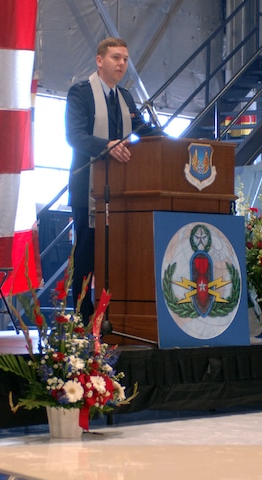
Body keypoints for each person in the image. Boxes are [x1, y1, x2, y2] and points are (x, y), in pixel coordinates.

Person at [65, 37, 162, 322]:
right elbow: (75, 136)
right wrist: (106, 146)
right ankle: (82, 318)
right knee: (87, 255)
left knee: (119, 255)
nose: (121, 64)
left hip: (122, 192)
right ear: (99, 60)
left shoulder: (126, 98)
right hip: (89, 191)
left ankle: (115, 314)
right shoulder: (80, 93)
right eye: (116, 58)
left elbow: (142, 130)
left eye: (124, 59)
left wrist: (174, 143)